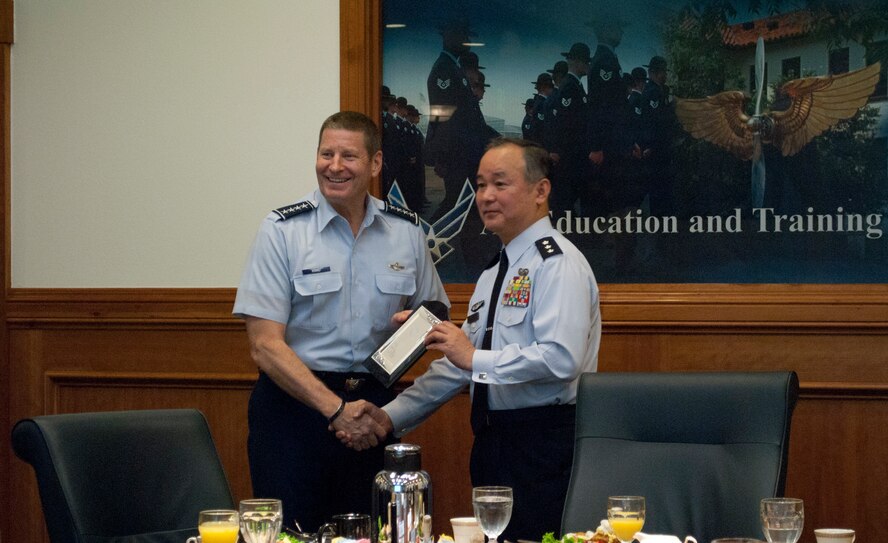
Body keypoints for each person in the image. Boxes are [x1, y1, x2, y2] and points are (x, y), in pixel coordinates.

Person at [341, 138, 601, 542]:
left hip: (545, 446)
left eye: (500, 183)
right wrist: (391, 416)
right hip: (494, 444)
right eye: (480, 185)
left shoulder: (558, 264)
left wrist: (473, 357)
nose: (486, 196)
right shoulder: (493, 272)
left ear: (541, 191)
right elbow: (457, 368)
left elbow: (560, 360)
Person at [232, 111, 449, 532]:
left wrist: (409, 340)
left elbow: (435, 315)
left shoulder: (405, 232)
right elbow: (264, 345)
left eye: (348, 155)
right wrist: (335, 410)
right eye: (325, 153)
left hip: (372, 413)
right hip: (294, 412)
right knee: (292, 536)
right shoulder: (282, 231)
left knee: (373, 534)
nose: (334, 166)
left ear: (375, 163)